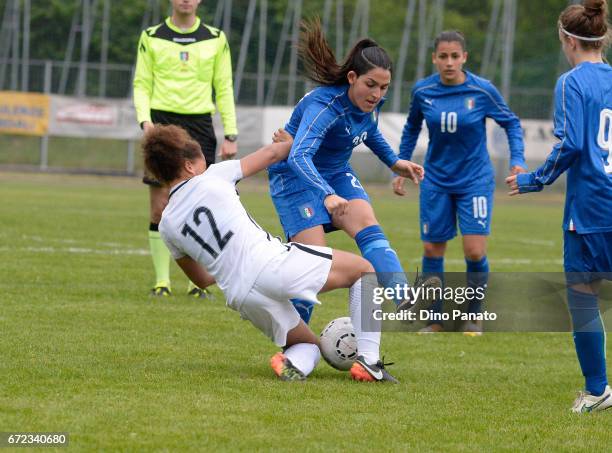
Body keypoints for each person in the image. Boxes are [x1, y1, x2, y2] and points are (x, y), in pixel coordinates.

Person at [142, 123, 399, 383]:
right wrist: (303, 143)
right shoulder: (214, 176)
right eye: (201, 163)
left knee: (307, 345)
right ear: (188, 166)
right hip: (271, 265)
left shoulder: (167, 225)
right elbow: (272, 154)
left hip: (241, 296)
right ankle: (369, 360)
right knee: (364, 271)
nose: (205, 167)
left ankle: (292, 364)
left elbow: (202, 280)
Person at [268, 20, 437, 324]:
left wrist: (395, 162)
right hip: (295, 176)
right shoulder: (325, 105)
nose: (376, 94)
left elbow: (369, 131)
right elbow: (299, 156)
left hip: (334, 172)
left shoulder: (369, 103)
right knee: (311, 264)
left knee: (368, 224)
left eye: (384, 87)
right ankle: (293, 346)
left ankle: (403, 298)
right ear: (351, 78)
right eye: (371, 85)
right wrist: (327, 195)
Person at [506, 0, 611, 413]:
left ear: (568, 40)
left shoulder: (571, 82)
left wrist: (534, 180)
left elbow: (572, 144)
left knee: (583, 298)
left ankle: (598, 390)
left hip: (591, 210)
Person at [393, 30, 526, 335]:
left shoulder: (483, 91)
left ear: (465, 57)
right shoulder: (422, 91)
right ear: (434, 59)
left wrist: (517, 159)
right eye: (443, 56)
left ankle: (473, 316)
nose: (449, 62)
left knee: (475, 251)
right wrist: (399, 164)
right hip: (435, 179)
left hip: (474, 180)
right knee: (432, 249)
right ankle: (434, 320)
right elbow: (411, 128)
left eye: (455, 56)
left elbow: (511, 122)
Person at [133, 0, 238, 298]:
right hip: (161, 123)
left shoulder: (216, 38)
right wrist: (146, 122)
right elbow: (141, 83)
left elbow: (225, 86)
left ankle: (197, 282)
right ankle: (161, 282)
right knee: (159, 206)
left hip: (200, 125)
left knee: (200, 203)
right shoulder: (151, 36)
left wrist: (230, 131)